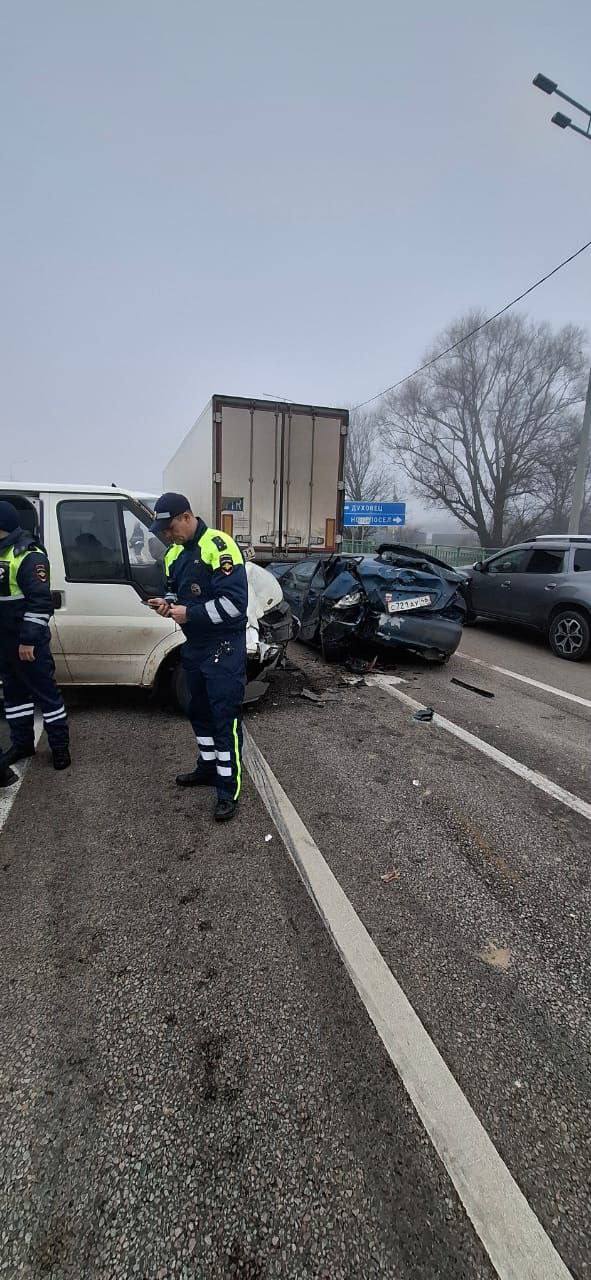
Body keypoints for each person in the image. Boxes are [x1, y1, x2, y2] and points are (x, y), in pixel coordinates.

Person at [147, 493, 247, 823]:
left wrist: (189, 613)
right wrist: (166, 604)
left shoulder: (219, 547)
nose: (167, 535)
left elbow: (234, 606)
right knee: (198, 711)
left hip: (224, 647)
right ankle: (207, 768)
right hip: (195, 647)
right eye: (162, 530)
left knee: (224, 718)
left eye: (171, 527)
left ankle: (227, 790)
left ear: (188, 517)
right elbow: (176, 592)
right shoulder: (174, 554)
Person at [0, 501, 70, 784]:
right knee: (14, 696)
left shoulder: (29, 555)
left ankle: (60, 748)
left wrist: (28, 640)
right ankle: (22, 743)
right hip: (4, 642)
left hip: (27, 642)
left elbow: (40, 603)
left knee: (46, 695)